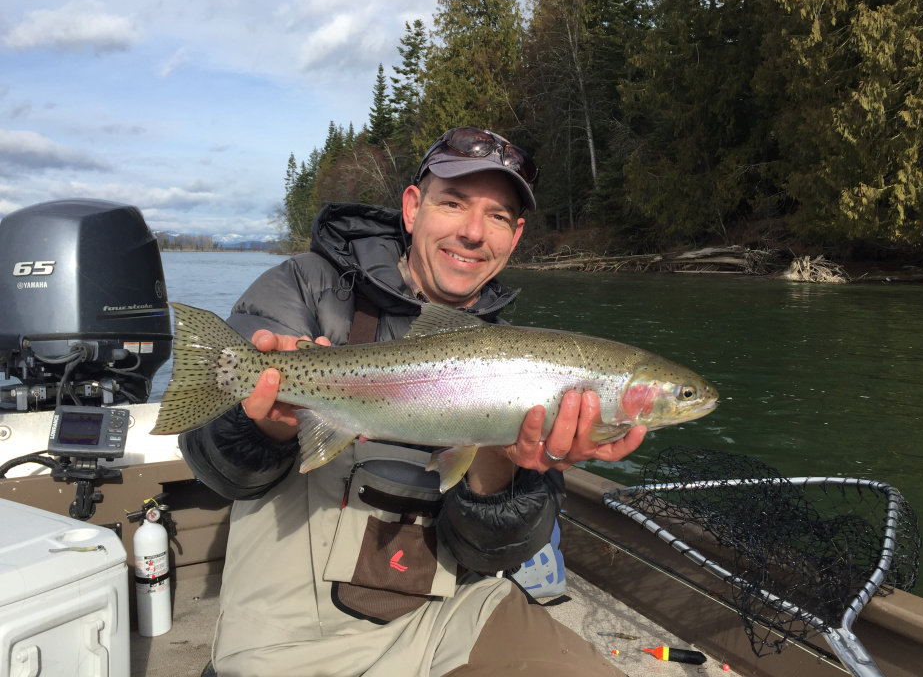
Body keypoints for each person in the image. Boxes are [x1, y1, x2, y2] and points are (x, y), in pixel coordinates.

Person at [179, 126, 647, 676]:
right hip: (284, 643)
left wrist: (500, 467)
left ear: (515, 237)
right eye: (453, 203)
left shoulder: (521, 363)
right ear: (411, 207)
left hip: (447, 623)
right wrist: (270, 426)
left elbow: (491, 555)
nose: (473, 233)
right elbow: (221, 470)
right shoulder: (306, 288)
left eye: (497, 216)